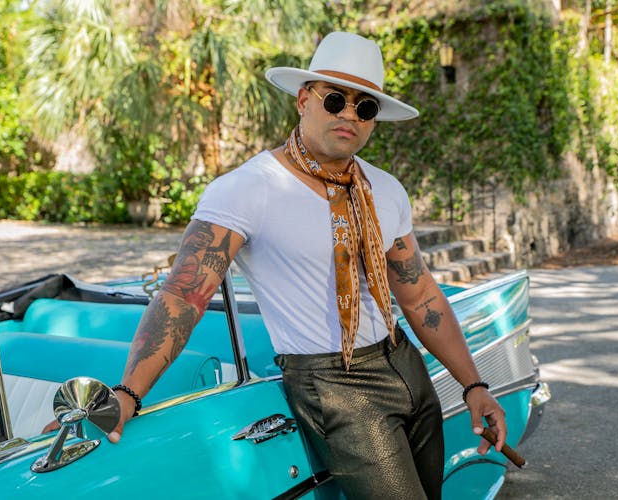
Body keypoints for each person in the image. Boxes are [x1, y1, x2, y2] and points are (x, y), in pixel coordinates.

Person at [108, 31, 506, 499]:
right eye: (335, 99)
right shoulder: (247, 189)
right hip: (333, 383)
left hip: (403, 363)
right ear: (303, 99)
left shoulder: (385, 189)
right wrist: (128, 393)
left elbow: (418, 294)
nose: (349, 115)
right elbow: (183, 293)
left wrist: (474, 385)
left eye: (366, 107)